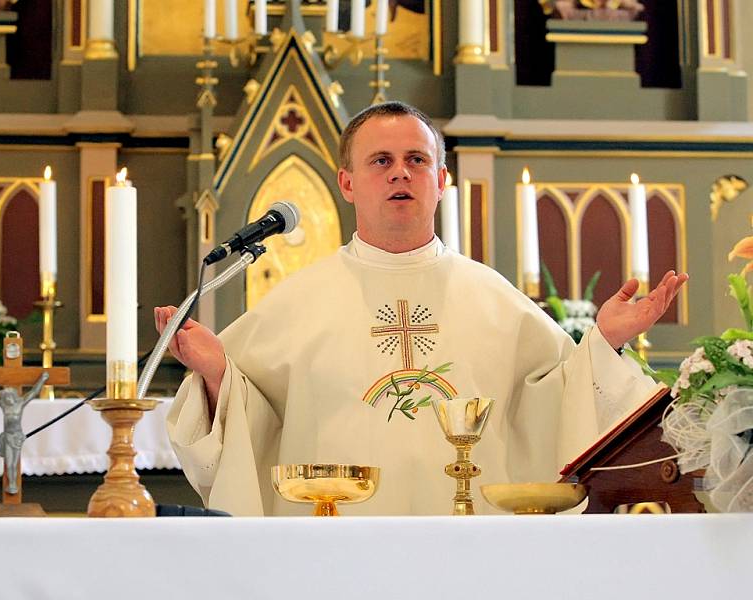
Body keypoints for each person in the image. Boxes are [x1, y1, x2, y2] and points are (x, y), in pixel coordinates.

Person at [157, 102, 687, 516]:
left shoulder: (492, 298)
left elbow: (563, 404)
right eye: (381, 161)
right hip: (335, 554)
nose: (400, 174)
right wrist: (217, 375)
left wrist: (604, 344)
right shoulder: (295, 303)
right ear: (347, 183)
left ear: (442, 180)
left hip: (469, 547)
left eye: (417, 160)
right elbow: (247, 433)